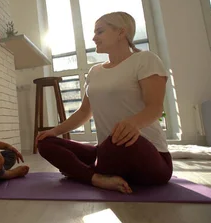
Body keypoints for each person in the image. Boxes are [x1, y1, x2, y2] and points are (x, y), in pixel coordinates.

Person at [36, 11, 172, 194]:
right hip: (107, 152)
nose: (94, 38)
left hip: (145, 154)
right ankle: (96, 178)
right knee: (46, 143)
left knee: (117, 142)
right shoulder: (94, 72)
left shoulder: (145, 60)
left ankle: (83, 171)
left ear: (121, 32)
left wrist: (132, 124)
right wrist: (54, 131)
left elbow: (155, 107)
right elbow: (84, 112)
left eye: (100, 32)